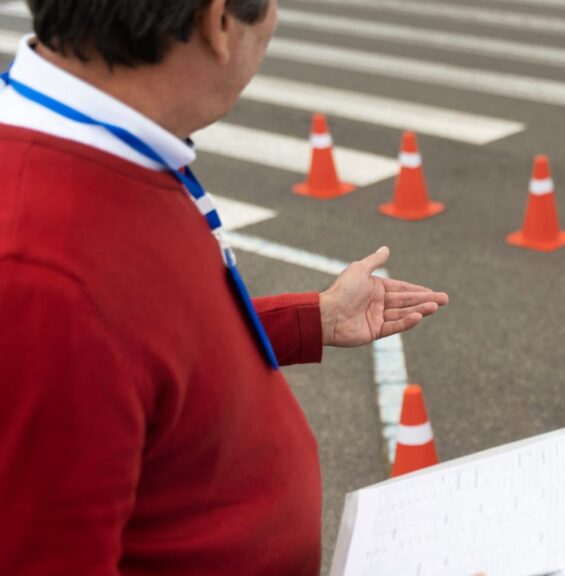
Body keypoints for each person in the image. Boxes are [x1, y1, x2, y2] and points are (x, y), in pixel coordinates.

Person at [0, 0, 448, 574]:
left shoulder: (108, 142)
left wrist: (311, 317)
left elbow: (144, 347)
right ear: (217, 24)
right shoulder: (40, 274)